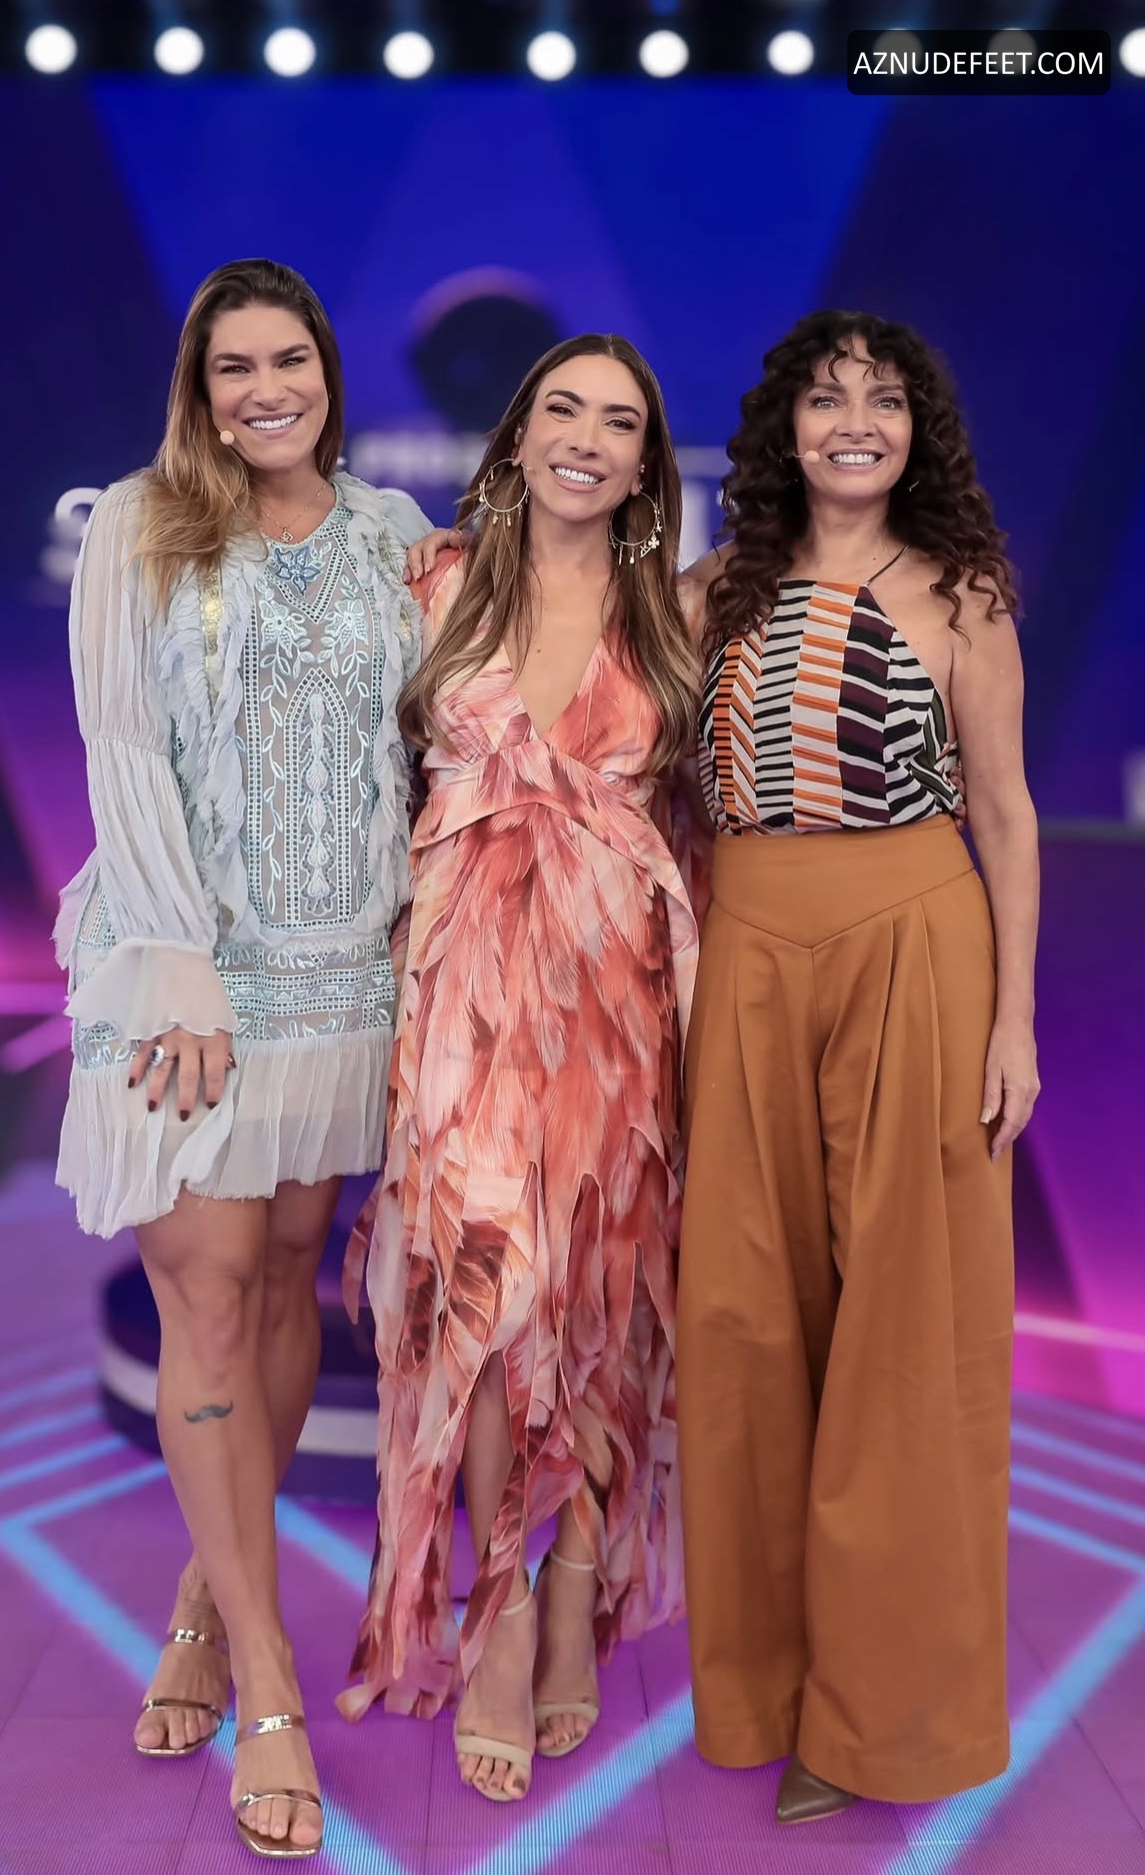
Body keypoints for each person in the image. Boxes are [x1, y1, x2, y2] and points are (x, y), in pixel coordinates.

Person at [56, 258, 428, 1858]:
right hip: (186, 984)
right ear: (199, 393)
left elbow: (418, 748)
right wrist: (179, 972)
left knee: (283, 1288)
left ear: (328, 373)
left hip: (343, 986)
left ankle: (211, 1596)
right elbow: (122, 751)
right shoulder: (142, 525)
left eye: (290, 361)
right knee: (205, 1299)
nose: (266, 390)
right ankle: (268, 1685)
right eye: (235, 368)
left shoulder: (390, 536)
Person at [676, 309, 1039, 1822]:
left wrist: (1013, 1022)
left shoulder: (961, 590)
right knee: (742, 1324)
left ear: (915, 432)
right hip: (747, 953)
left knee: (906, 1334)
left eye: (883, 400)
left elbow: (1004, 812)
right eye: (825, 398)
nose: (853, 422)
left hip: (916, 944)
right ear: (784, 427)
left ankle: (881, 1722)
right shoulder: (710, 590)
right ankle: (763, 1694)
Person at [336, 334, 701, 1803]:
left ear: (645, 463)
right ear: (517, 432)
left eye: (620, 422)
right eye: (564, 409)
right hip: (460, 1003)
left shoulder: (677, 615)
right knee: (489, 1301)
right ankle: (493, 1613)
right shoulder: (430, 582)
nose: (587, 439)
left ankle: (573, 1583)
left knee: (600, 1305)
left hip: (615, 1009)